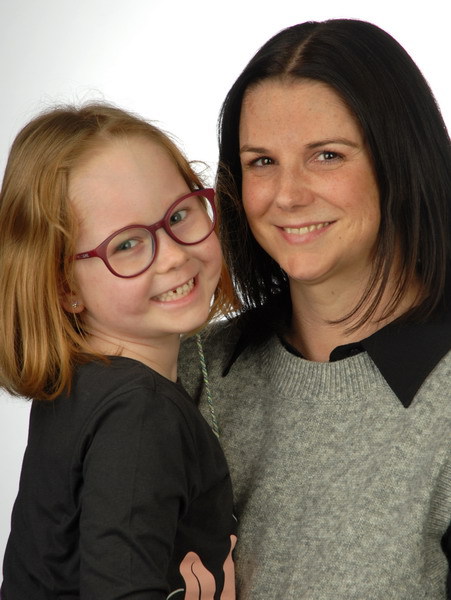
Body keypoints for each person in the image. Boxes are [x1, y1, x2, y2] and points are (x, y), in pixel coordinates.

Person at [178, 18, 451, 599]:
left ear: (401, 161)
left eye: (327, 155)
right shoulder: (191, 371)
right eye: (261, 161)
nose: (287, 195)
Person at [0, 103, 237, 599]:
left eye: (179, 215)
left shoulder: (85, 388)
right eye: (126, 245)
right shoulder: (139, 409)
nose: (173, 255)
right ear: (65, 287)